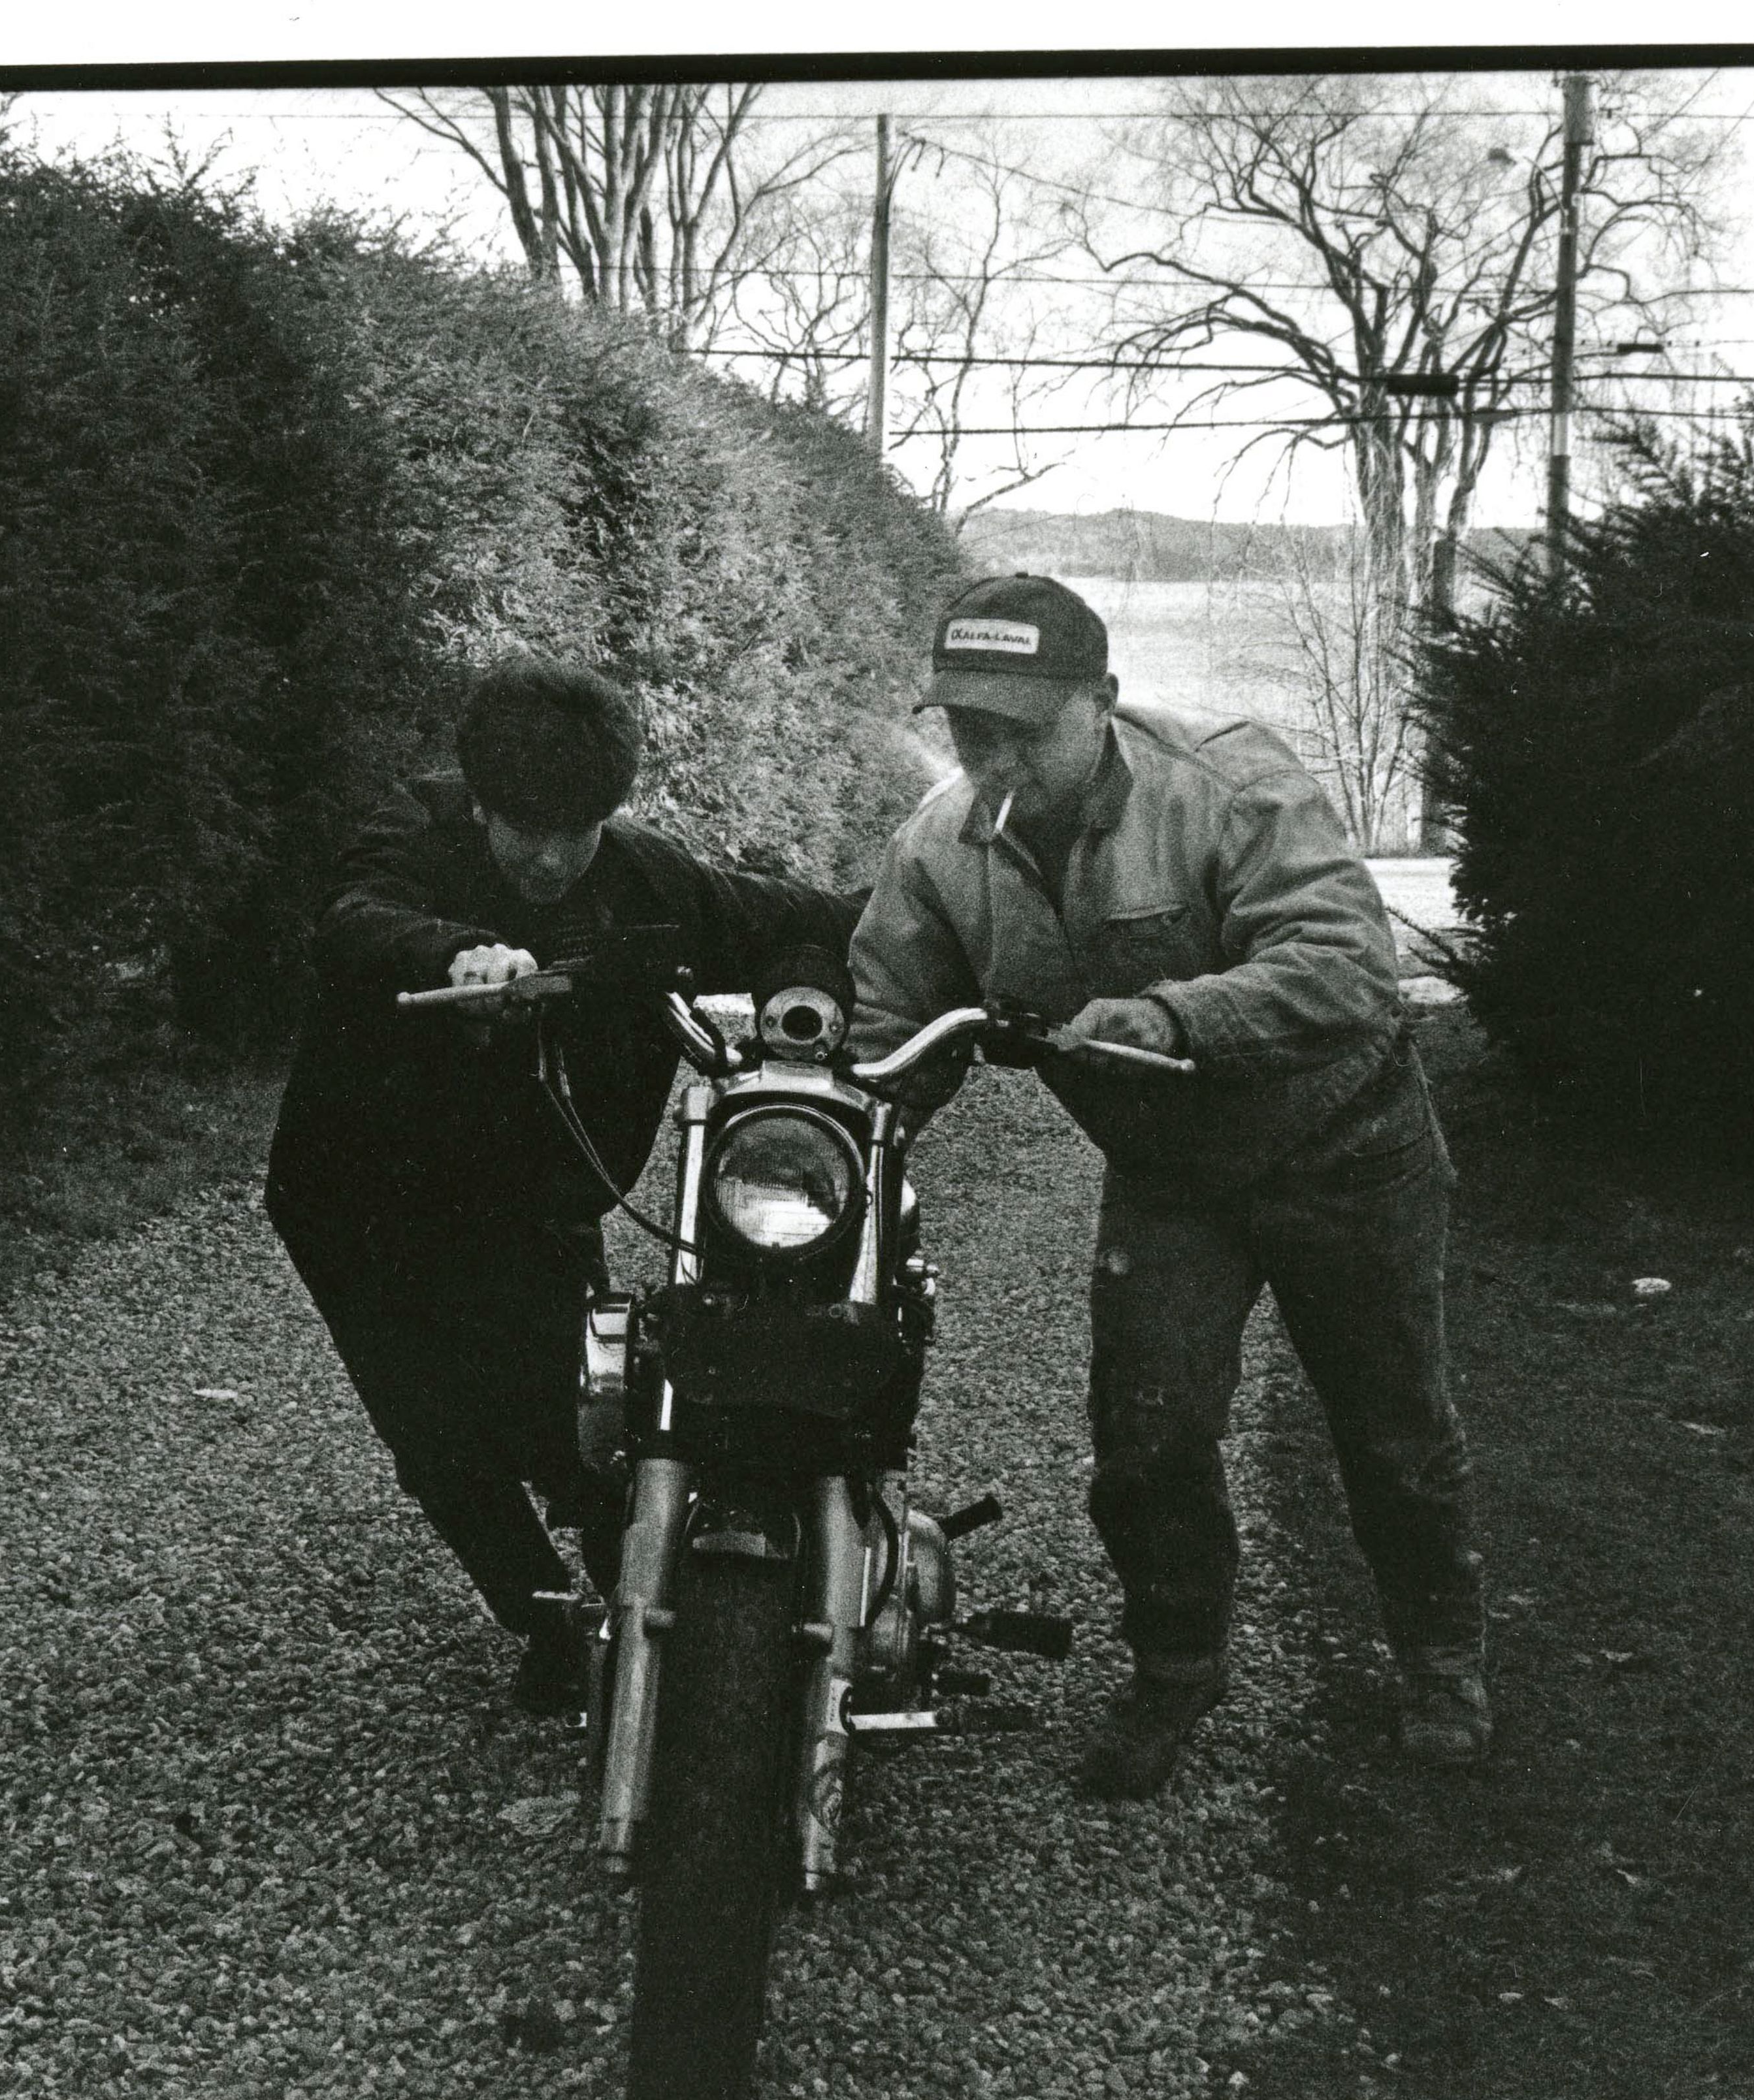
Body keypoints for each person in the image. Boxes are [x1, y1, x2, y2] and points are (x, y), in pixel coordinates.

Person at [847, 573, 1488, 1794]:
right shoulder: (935, 850)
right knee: (1146, 1440)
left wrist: (1175, 1015)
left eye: (1023, 728)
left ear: (1102, 699)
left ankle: (1440, 1659)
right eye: (970, 729)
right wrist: (842, 1146)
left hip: (1346, 1147)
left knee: (1392, 1425)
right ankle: (1177, 1669)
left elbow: (1347, 963)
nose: (994, 758)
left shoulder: (1231, 785)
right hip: (1174, 1177)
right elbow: (892, 1026)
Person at [267, 657, 863, 1713]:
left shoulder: (650, 882)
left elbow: (814, 922)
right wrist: (455, 955)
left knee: (584, 1412)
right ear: (480, 801)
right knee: (439, 1434)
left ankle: (636, 1609)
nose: (550, 859)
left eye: (576, 831)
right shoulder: (412, 835)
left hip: (536, 1197)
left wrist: (815, 984)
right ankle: (543, 1623)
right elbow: (355, 917)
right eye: (524, 830)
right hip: (362, 1200)